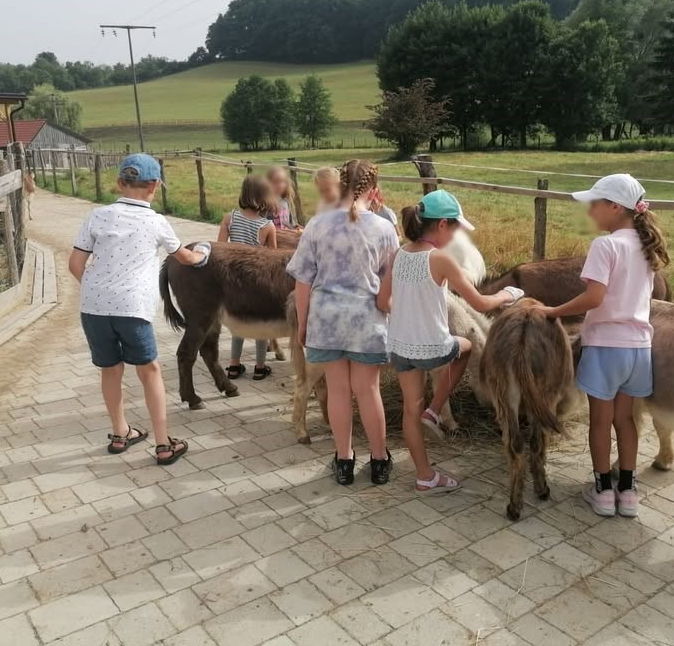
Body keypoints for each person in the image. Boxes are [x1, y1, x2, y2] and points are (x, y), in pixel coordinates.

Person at [540, 174, 669, 518]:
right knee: (626, 420)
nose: (591, 210)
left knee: (600, 421)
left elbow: (594, 298)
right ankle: (627, 491)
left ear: (615, 207)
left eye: (595, 204)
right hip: (638, 348)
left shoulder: (605, 246)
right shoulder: (644, 246)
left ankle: (601, 491)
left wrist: (552, 311)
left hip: (605, 347)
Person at [377, 190, 523, 494]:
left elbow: (382, 300)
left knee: (409, 410)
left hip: (400, 347)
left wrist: (408, 310)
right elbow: (482, 303)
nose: (456, 235)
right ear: (442, 225)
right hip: (432, 348)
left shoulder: (399, 254)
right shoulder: (441, 259)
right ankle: (436, 408)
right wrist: (508, 295)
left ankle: (424, 475)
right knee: (465, 349)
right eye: (456, 228)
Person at [69, 153, 209, 466]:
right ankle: (163, 444)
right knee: (149, 371)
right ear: (155, 186)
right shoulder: (156, 222)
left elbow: (75, 264)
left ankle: (120, 433)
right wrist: (202, 252)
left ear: (119, 183)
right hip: (132, 307)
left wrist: (98, 292)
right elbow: (185, 258)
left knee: (110, 369)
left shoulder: (97, 215)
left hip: (93, 307)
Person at [287, 159, 398, 486]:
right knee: (368, 390)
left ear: (341, 185)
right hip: (367, 324)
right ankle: (379, 461)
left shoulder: (317, 225)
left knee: (338, 391)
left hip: (327, 322)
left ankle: (344, 460)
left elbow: (303, 282)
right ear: (374, 191)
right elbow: (390, 284)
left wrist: (304, 325)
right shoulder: (384, 229)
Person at [217, 175, 278, 380]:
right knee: (261, 324)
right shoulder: (268, 226)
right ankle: (260, 367)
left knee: (239, 324)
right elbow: (273, 259)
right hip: (259, 282)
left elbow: (220, 250)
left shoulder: (229, 218)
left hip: (235, 282)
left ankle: (234, 366)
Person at [266, 165, 298, 230]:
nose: (280, 185)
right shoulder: (265, 203)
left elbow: (290, 224)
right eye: (275, 182)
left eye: (282, 181)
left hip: (286, 238)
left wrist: (295, 229)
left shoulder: (286, 202)